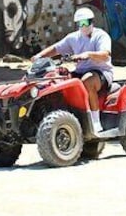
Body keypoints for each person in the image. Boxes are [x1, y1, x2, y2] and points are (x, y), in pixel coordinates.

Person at [31, 7, 113, 136]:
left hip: (101, 72)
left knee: (87, 81)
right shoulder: (73, 38)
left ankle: (96, 122)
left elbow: (105, 55)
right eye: (80, 23)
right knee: (58, 79)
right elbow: (56, 49)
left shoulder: (101, 36)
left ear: (92, 22)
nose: (83, 26)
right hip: (80, 71)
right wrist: (39, 56)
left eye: (86, 22)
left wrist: (88, 54)